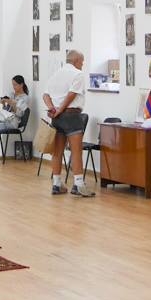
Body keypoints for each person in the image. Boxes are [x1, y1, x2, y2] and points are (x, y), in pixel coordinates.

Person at [43, 50, 94, 197]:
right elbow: (72, 94)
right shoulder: (78, 74)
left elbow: (45, 95)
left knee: (57, 151)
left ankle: (56, 184)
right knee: (76, 151)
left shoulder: (55, 74)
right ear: (76, 61)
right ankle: (78, 185)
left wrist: (52, 109)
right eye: (82, 62)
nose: (82, 65)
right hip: (72, 116)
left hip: (57, 118)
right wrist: (60, 109)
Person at [0, 75, 31, 162]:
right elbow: (6, 111)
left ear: (21, 85)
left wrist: (13, 104)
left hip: (13, 122)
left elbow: (20, 114)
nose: (13, 87)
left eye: (15, 85)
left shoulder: (25, 98)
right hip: (4, 118)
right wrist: (4, 104)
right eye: (13, 85)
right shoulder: (11, 94)